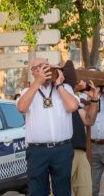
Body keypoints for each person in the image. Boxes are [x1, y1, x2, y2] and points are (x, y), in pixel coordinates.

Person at [16, 58, 80, 196]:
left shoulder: (65, 88)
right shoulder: (27, 91)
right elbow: (21, 107)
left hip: (62, 149)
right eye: (37, 67)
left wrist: (59, 85)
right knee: (36, 192)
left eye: (45, 66)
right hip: (37, 151)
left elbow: (73, 106)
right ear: (33, 72)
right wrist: (38, 82)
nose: (42, 70)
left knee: (63, 191)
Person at [71, 77, 102, 196]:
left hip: (80, 151)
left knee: (86, 191)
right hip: (64, 151)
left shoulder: (73, 98)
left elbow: (89, 120)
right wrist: (73, 89)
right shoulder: (58, 95)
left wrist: (94, 99)